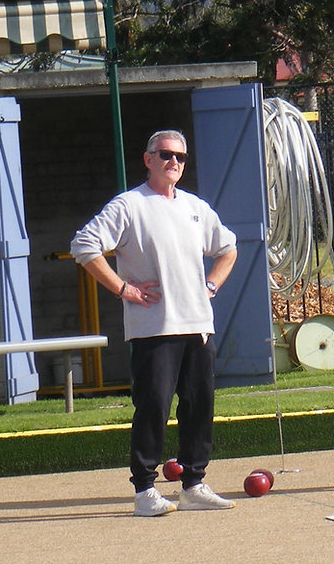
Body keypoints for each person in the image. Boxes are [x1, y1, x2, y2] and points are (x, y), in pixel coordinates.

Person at [70, 130, 238, 516]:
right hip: (154, 328)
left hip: (197, 324)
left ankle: (194, 484)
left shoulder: (195, 207)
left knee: (199, 405)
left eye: (180, 156)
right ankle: (145, 490)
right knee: (154, 405)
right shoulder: (129, 205)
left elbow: (228, 247)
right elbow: (85, 245)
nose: (173, 162)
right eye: (164, 155)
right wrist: (122, 288)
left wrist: (211, 284)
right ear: (148, 159)